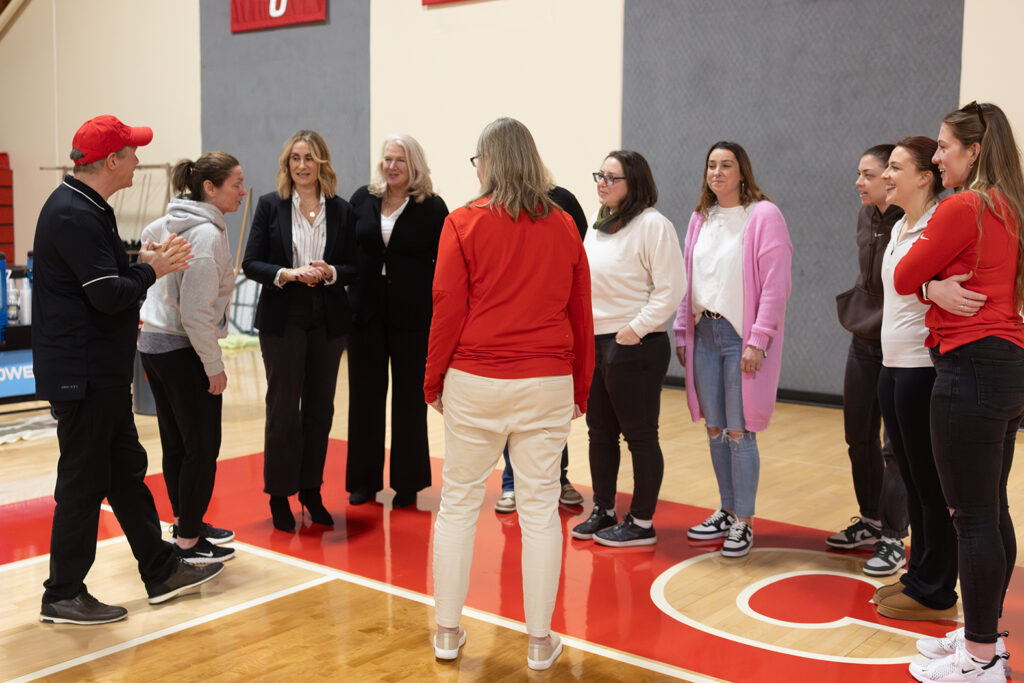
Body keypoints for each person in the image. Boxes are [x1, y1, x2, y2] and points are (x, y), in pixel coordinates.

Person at [33, 115, 224, 624]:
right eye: (132, 152)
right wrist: (153, 269)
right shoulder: (74, 214)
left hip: (100, 372)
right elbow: (108, 294)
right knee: (81, 482)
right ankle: (63, 593)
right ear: (112, 161)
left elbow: (105, 274)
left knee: (124, 471)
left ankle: (160, 569)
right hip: (84, 372)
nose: (139, 159)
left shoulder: (88, 207)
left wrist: (142, 257)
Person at [425, 117, 593, 671]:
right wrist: (581, 386)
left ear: (489, 162)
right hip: (547, 380)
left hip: (476, 379)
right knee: (541, 511)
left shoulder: (462, 223)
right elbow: (580, 314)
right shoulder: (565, 225)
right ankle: (541, 643)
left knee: (458, 506)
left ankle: (447, 633)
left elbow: (447, 306)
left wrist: (433, 378)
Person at [895, 102, 1024, 683]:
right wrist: (937, 288)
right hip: (1008, 364)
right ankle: (984, 634)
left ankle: (981, 659)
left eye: (945, 146)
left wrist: (928, 285)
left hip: (969, 367)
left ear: (974, 151)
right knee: (990, 511)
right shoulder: (1013, 206)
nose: (937, 155)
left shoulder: (965, 205)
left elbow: (901, 274)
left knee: (971, 518)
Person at [676, 141, 792, 558]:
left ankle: (744, 520)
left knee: (740, 432)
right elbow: (687, 276)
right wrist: (681, 331)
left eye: (726, 165)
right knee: (715, 428)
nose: (717, 172)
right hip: (704, 335)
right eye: (711, 165)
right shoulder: (699, 218)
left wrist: (759, 339)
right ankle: (725, 510)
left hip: (738, 337)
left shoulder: (763, 216)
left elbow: (776, 287)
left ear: (742, 171)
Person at [242, 130, 357, 532]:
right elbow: (251, 263)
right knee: (283, 409)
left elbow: (355, 267)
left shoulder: (342, 210)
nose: (302, 166)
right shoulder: (270, 206)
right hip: (282, 316)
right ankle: (278, 495)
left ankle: (311, 489)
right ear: (286, 164)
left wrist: (332, 272)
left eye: (309, 158)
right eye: (295, 158)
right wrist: (285, 273)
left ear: (321, 163)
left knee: (320, 409)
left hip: (328, 318)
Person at [569, 151, 684, 547]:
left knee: (640, 436)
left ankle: (642, 521)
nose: (602, 182)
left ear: (633, 183)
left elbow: (671, 288)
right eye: (599, 174)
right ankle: (603, 509)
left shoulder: (653, 225)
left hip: (635, 344)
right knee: (599, 433)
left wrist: (632, 331)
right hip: (598, 343)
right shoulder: (599, 226)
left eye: (612, 177)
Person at [139, 152, 247, 565]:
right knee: (201, 446)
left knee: (179, 443)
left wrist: (149, 255)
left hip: (155, 345)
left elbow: (145, 243)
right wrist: (214, 366)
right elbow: (195, 313)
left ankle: (188, 522)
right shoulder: (205, 236)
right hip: (179, 348)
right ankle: (188, 543)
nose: (241, 191)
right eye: (235, 184)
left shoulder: (172, 220)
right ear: (210, 188)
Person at [872, 137, 959, 622]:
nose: (887, 174)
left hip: (922, 369)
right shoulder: (901, 224)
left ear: (925, 176)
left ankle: (936, 589)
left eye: (896, 167)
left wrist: (932, 287)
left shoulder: (937, 223)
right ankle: (918, 574)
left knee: (929, 484)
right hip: (892, 365)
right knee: (910, 476)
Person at [346, 135, 448, 509]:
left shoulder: (433, 207)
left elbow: (447, 264)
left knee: (409, 402)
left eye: (399, 161)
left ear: (414, 166)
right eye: (387, 159)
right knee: (365, 400)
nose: (391, 166)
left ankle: (407, 484)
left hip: (413, 317)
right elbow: (346, 249)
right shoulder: (362, 199)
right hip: (365, 316)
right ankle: (363, 482)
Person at [828, 144, 910, 577]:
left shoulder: (911, 220)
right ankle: (872, 520)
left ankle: (895, 537)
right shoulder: (866, 216)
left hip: (899, 344)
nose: (859, 182)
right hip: (863, 339)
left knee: (894, 448)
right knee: (857, 437)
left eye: (868, 174)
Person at [494, 183, 588, 514]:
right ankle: (510, 482)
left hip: (551, 333)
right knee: (512, 412)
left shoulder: (563, 203)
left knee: (549, 416)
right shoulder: (499, 206)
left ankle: (558, 478)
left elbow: (578, 247)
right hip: (509, 331)